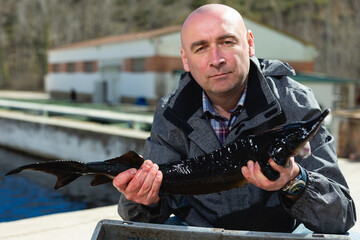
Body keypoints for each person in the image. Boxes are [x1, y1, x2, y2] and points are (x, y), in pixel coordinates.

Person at [113, 4, 356, 234]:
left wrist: (294, 180)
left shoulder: (296, 102)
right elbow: (142, 219)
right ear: (185, 59)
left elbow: (341, 215)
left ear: (249, 44)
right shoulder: (171, 112)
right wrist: (143, 200)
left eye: (226, 42)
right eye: (201, 48)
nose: (216, 59)